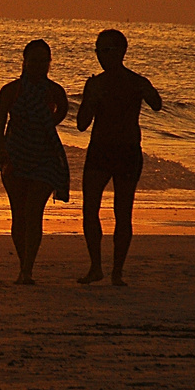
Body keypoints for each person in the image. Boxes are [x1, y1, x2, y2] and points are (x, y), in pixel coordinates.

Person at [76, 29, 163, 286]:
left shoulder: (135, 81)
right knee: (90, 209)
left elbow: (157, 104)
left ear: (122, 53)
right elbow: (81, 124)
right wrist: (91, 100)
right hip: (100, 150)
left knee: (123, 212)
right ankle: (96, 267)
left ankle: (117, 271)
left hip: (126, 151)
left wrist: (144, 88)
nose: (103, 56)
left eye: (108, 51)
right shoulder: (95, 84)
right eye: (99, 51)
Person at [0, 39, 70, 284]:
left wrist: (43, 125)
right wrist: (2, 150)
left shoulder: (54, 91)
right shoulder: (10, 90)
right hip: (15, 156)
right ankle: (23, 265)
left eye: (43, 61)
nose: (39, 65)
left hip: (45, 156)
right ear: (24, 62)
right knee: (19, 213)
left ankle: (27, 269)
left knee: (34, 212)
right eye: (33, 60)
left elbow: (62, 112)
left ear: (49, 63)